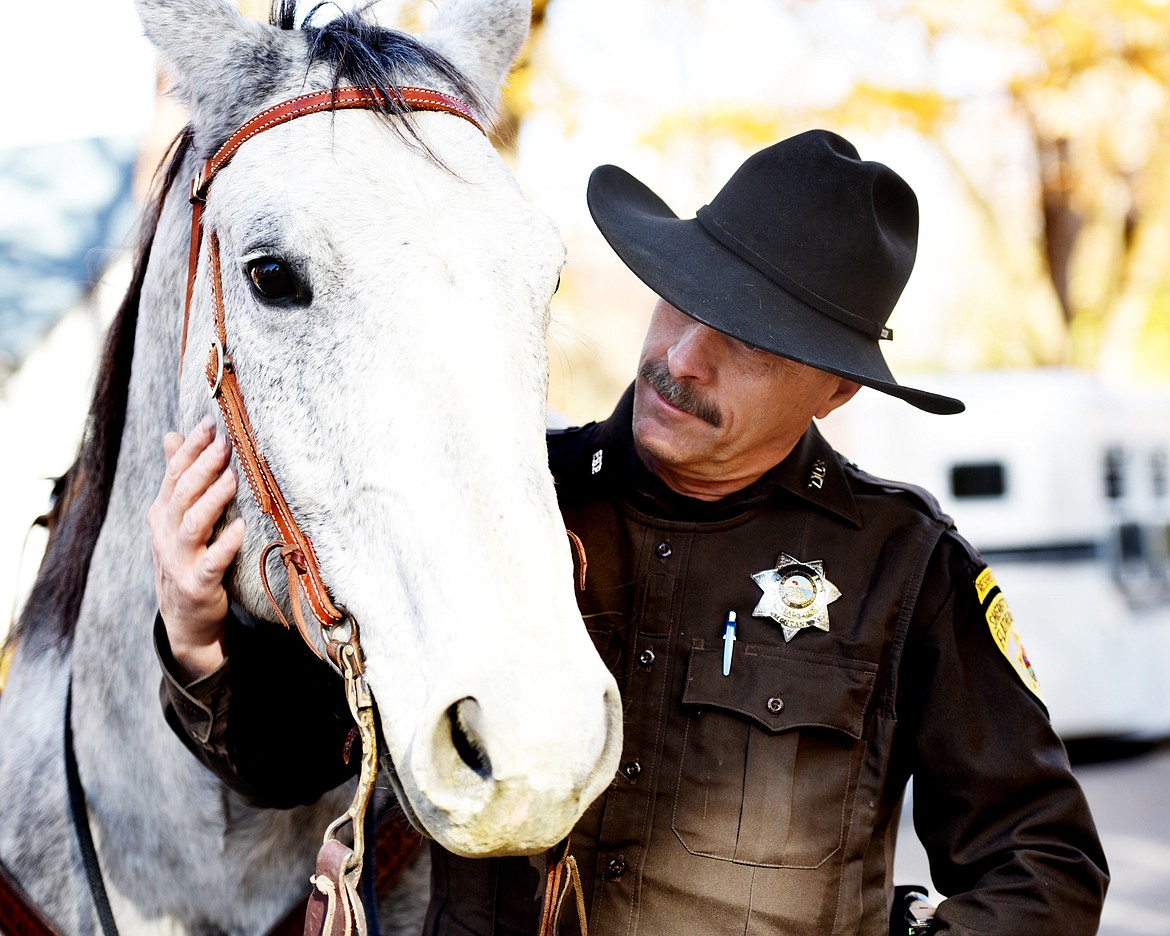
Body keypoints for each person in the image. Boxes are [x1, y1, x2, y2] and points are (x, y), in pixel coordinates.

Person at [151, 129, 1109, 934]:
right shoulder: (509, 498)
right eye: (683, 300)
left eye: (749, 340)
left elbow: (1045, 868)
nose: (682, 359)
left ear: (837, 386)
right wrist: (198, 638)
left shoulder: (906, 570)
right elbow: (307, 766)